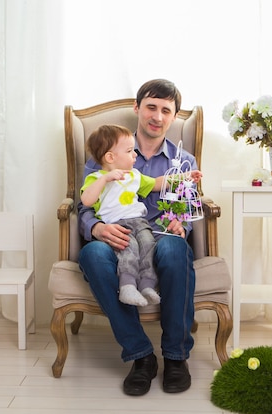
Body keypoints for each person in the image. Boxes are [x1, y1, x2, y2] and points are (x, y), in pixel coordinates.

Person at [77, 79, 199, 396]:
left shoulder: (183, 161)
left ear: (173, 117)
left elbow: (188, 203)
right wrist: (96, 229)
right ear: (137, 108)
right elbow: (84, 202)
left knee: (174, 249)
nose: (157, 116)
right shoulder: (108, 151)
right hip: (115, 236)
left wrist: (181, 226)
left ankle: (175, 357)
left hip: (158, 234)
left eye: (165, 111)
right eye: (151, 107)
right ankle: (141, 356)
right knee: (92, 255)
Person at [80, 124, 201, 307]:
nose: (134, 154)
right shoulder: (96, 178)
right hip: (119, 226)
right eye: (129, 151)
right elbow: (86, 201)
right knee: (130, 250)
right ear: (110, 157)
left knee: (148, 248)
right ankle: (128, 286)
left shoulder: (134, 175)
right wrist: (105, 179)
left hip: (140, 223)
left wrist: (185, 176)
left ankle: (147, 286)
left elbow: (159, 183)